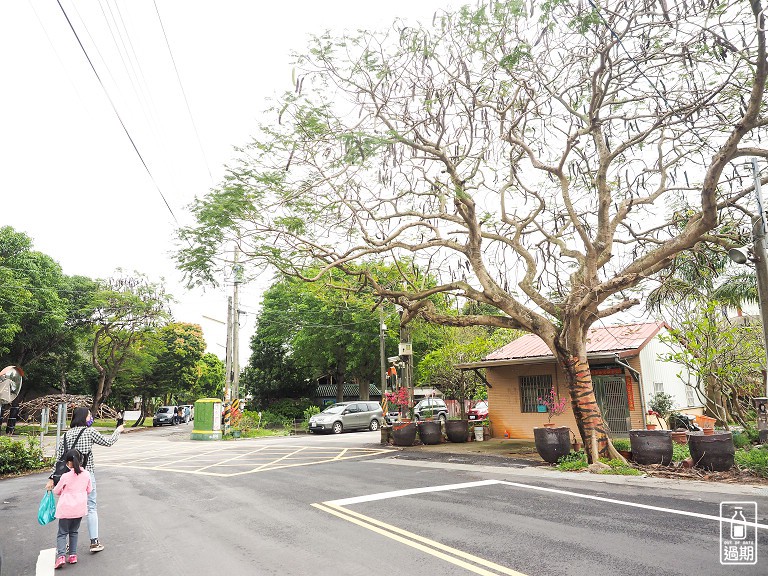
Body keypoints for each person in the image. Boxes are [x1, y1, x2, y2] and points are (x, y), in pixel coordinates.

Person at [45, 407, 123, 553]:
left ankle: (65, 544)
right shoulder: (89, 431)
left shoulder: (66, 435)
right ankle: (94, 542)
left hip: (68, 478)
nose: (90, 418)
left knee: (68, 509)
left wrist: (51, 477)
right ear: (83, 418)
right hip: (86, 475)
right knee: (91, 506)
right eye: (89, 416)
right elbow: (108, 442)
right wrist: (117, 431)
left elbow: (58, 459)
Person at [53, 449, 92, 569]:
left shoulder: (65, 476)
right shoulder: (86, 474)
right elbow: (89, 490)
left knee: (62, 533)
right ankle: (73, 555)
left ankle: (61, 556)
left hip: (66, 509)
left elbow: (56, 490)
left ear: (69, 463)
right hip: (79, 508)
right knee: (74, 532)